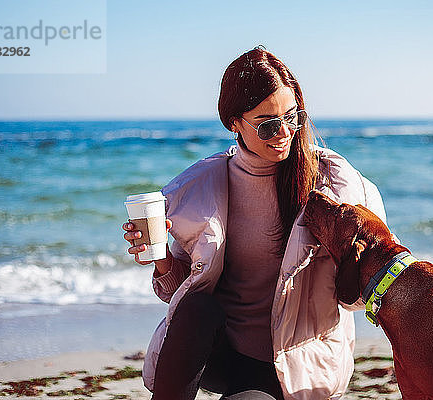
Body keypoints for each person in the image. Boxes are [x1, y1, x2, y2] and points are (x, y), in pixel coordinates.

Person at [122, 46, 388, 400]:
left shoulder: (331, 184)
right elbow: (179, 296)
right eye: (267, 125)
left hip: (291, 364)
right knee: (198, 308)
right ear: (234, 123)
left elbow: (358, 299)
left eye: (292, 118)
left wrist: (350, 258)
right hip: (224, 352)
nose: (283, 132)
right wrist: (159, 260)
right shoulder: (205, 186)